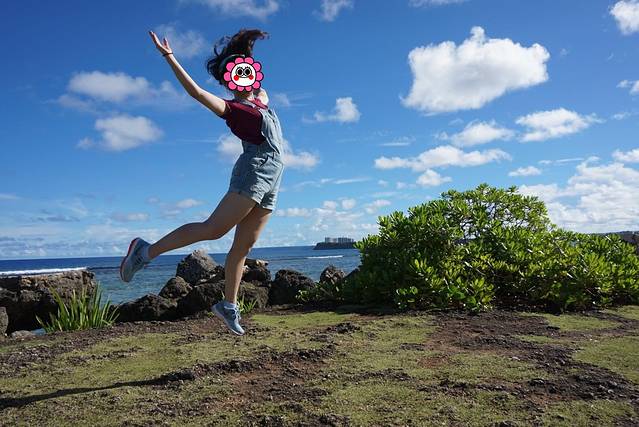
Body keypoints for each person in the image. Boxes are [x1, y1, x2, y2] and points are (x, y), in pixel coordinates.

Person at [119, 28, 285, 336]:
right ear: (229, 81)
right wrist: (169, 57)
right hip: (254, 171)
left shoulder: (262, 100)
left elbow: (251, 73)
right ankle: (145, 251)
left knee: (244, 245)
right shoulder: (231, 109)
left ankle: (229, 306)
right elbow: (195, 93)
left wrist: (245, 48)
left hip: (273, 178)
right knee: (214, 228)